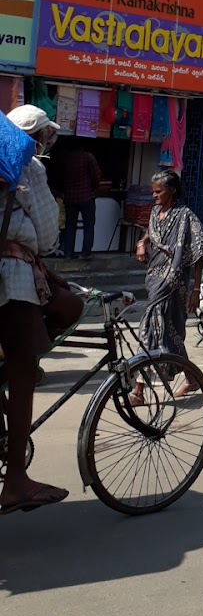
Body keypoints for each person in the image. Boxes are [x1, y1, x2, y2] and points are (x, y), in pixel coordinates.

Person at [0, 135, 70, 514]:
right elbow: (45, 236)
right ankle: (16, 481)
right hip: (10, 280)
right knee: (23, 373)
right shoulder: (24, 161)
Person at [8, 106, 83, 342]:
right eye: (46, 136)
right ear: (38, 136)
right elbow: (46, 233)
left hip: (17, 261)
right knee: (71, 308)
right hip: (14, 270)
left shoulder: (6, 158)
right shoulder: (30, 165)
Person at [132, 170, 203, 402]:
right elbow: (150, 234)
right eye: (152, 191)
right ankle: (192, 379)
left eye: (158, 191)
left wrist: (196, 289)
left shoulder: (186, 216)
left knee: (150, 326)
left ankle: (138, 389)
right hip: (154, 277)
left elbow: (199, 251)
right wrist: (141, 243)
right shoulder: (155, 212)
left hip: (174, 282)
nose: (154, 196)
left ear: (172, 191)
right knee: (169, 332)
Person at [61, 145, 102, 259]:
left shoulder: (67, 158)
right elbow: (96, 176)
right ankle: (86, 253)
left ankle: (68, 253)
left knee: (70, 226)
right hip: (86, 196)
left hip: (70, 197)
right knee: (88, 225)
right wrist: (93, 188)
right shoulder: (88, 157)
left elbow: (60, 176)